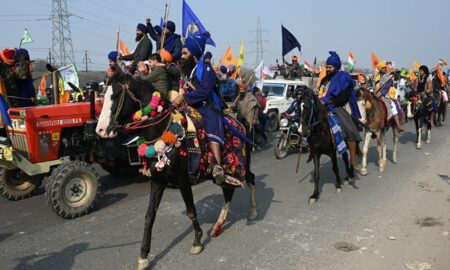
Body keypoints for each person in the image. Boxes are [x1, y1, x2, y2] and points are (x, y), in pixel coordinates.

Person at [172, 32, 226, 183]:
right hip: (192, 105)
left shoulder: (207, 69)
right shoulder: (189, 72)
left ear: (194, 53)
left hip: (207, 106)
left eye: (185, 52)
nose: (182, 56)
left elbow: (205, 91)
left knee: (211, 126)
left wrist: (184, 97)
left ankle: (217, 165)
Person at [320, 51, 361, 170]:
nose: (328, 69)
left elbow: (345, 95)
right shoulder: (325, 80)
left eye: (330, 67)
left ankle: (353, 159)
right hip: (321, 105)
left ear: (336, 67)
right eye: (327, 66)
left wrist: (331, 102)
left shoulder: (342, 77)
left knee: (350, 129)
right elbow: (321, 92)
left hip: (335, 106)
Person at [374, 61, 404, 132]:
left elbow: (386, 88)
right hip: (377, 96)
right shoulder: (376, 78)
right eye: (383, 68)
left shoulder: (389, 77)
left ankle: (398, 126)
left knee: (393, 108)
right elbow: (374, 86)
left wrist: (379, 95)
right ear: (379, 69)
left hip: (387, 96)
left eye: (385, 67)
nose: (384, 69)